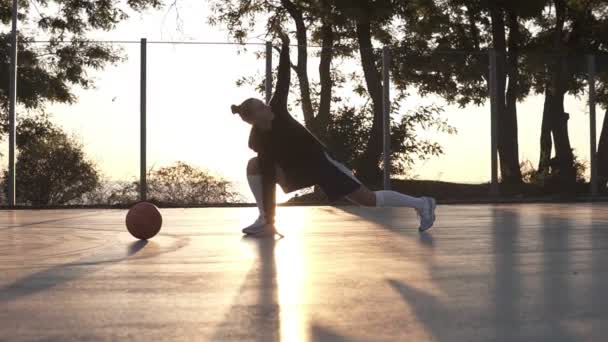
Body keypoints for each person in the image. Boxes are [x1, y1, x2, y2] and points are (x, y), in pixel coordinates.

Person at [230, 34, 436, 236]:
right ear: (254, 119)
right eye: (260, 107)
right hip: (298, 169)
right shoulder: (258, 140)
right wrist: (270, 216)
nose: (266, 105)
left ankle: (422, 203)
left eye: (262, 102)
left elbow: (283, 78)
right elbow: (266, 177)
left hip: (321, 163)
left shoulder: (278, 109)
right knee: (255, 166)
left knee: (368, 200)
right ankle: (265, 220)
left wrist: (285, 45)